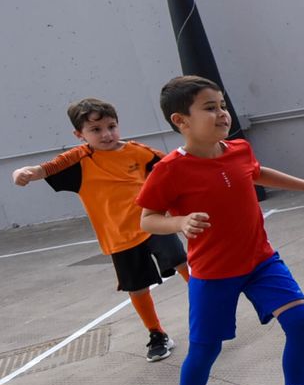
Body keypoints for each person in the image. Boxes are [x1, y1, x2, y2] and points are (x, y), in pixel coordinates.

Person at [138, 76, 304, 385]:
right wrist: (178, 223)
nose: (221, 113)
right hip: (213, 272)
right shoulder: (169, 170)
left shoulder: (239, 149)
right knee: (205, 350)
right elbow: (148, 219)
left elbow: (257, 172)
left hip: (261, 260)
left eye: (222, 105)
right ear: (181, 120)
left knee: (300, 320)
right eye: (209, 107)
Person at [12, 98, 188, 363]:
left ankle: (209, 313)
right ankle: (157, 333)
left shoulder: (139, 152)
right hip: (118, 236)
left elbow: (174, 169)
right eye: (96, 130)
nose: (106, 134)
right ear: (79, 134)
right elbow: (44, 169)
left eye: (111, 126)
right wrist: (21, 172)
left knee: (183, 263)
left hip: (152, 223)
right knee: (138, 287)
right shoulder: (77, 161)